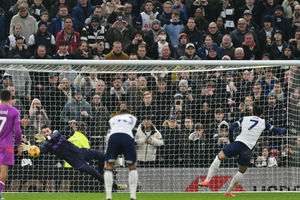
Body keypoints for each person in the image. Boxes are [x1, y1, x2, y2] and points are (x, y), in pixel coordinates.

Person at [199, 105, 286, 197]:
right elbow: (278, 130)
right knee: (241, 171)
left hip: (238, 143)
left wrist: (232, 142)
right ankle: (228, 192)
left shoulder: (244, 118)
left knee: (219, 157)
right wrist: (285, 129)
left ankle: (207, 181)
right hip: (248, 149)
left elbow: (231, 128)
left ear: (252, 112)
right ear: (261, 115)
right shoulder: (264, 122)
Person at [26, 124, 125, 191]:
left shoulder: (55, 133)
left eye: (47, 131)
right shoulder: (47, 146)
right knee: (93, 172)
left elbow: (55, 134)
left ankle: (101, 172)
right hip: (76, 162)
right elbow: (39, 152)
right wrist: (30, 149)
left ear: (50, 130)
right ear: (41, 134)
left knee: (103, 156)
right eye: (44, 132)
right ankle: (114, 186)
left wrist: (47, 137)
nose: (46, 133)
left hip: (81, 152)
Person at [104, 108, 138, 200]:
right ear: (129, 114)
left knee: (109, 166)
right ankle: (133, 196)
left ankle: (108, 196)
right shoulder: (133, 118)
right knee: (132, 166)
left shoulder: (113, 119)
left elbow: (109, 133)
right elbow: (134, 134)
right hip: (127, 137)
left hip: (113, 138)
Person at [0, 90, 22, 200]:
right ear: (10, 98)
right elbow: (17, 131)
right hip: (6, 145)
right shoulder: (14, 111)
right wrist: (19, 144)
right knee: (3, 171)